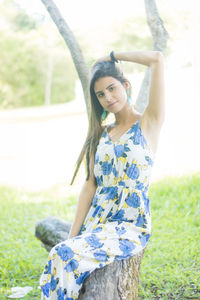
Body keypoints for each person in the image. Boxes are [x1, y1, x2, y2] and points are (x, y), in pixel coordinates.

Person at [39, 50, 165, 299]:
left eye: (112, 88)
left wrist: (112, 55)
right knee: (61, 253)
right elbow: (90, 186)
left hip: (129, 227)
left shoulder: (149, 122)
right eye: (100, 94)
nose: (108, 97)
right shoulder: (101, 135)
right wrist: (72, 236)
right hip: (97, 224)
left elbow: (157, 59)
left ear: (126, 86)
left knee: (61, 256)